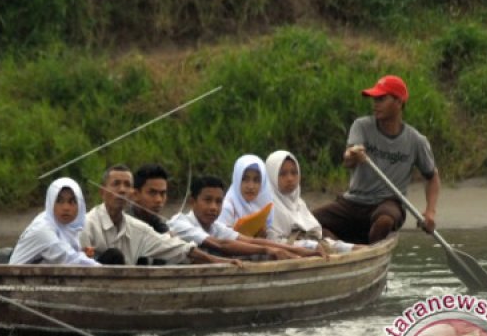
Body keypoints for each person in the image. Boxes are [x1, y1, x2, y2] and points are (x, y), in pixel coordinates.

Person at [312, 75, 440, 244]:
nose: (375, 104)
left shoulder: (416, 141)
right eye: (374, 99)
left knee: (384, 221)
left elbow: (432, 177)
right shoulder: (362, 126)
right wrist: (353, 155)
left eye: (381, 99)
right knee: (307, 223)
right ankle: (343, 249)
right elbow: (348, 160)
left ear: (399, 102)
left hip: (388, 203)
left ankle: (370, 250)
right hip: (354, 201)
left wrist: (430, 212)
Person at [80, 165, 238, 266]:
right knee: (113, 256)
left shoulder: (137, 228)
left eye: (127, 185)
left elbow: (175, 247)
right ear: (102, 192)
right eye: (116, 184)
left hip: (128, 294)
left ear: (131, 193)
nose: (122, 190)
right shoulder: (87, 225)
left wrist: (218, 261)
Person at [169, 176, 323, 260]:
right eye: (207, 200)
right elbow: (221, 244)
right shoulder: (180, 223)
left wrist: (299, 250)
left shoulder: (215, 227)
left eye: (218, 202)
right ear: (192, 202)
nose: (214, 208)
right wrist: (269, 250)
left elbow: (249, 241)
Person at [264, 150, 359, 253]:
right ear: (271, 176)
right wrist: (310, 246)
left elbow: (318, 239)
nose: (290, 178)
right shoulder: (268, 207)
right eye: (282, 174)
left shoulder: (299, 204)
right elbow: (274, 244)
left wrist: (350, 247)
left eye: (294, 173)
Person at [9, 178, 100, 266]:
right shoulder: (43, 229)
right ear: (51, 202)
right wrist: (105, 269)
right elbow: (68, 259)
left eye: (72, 201)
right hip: (16, 280)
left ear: (79, 205)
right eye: (59, 201)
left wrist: (82, 254)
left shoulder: (67, 227)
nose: (66, 208)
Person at [218, 154, 274, 236]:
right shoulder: (228, 206)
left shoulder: (265, 205)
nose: (251, 186)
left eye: (256, 180)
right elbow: (221, 241)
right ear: (237, 179)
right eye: (245, 179)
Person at [129, 163, 171, 234]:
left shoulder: (153, 219)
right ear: (135, 194)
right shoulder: (125, 222)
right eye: (152, 193)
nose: (159, 200)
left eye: (162, 193)